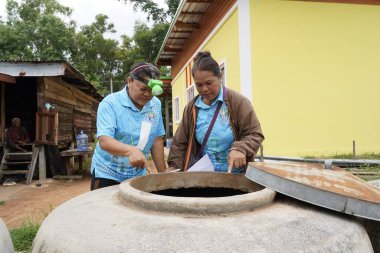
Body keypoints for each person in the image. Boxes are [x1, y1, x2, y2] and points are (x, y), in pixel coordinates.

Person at [168, 51, 264, 173]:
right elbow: (179, 144)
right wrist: (173, 169)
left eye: (209, 83)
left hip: (235, 176)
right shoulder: (192, 108)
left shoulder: (237, 102)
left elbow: (255, 134)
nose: (204, 89)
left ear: (220, 77)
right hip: (205, 176)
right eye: (199, 85)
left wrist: (240, 148)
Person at [90, 62, 166, 190]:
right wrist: (131, 150)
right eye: (143, 89)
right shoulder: (110, 103)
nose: (147, 95)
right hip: (107, 174)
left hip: (137, 176)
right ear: (130, 81)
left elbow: (157, 141)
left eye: (151, 90)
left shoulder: (155, 105)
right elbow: (105, 141)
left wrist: (163, 175)